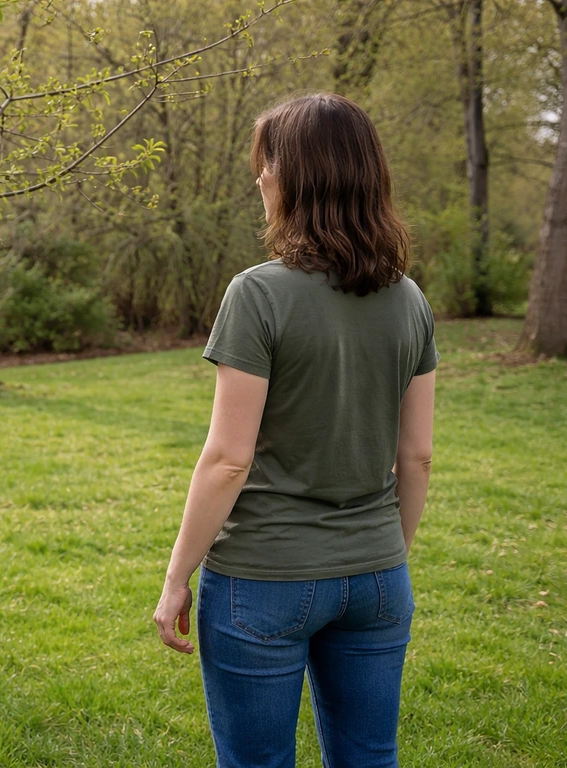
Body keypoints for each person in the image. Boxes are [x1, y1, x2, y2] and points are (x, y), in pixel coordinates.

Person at [152, 92, 439, 768]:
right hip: (377, 576)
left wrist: (175, 577)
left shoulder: (257, 294)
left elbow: (227, 459)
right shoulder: (410, 298)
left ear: (298, 176)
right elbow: (418, 457)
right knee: (370, 757)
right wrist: (380, 556)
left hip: (262, 578)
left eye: (268, 163)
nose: (260, 177)